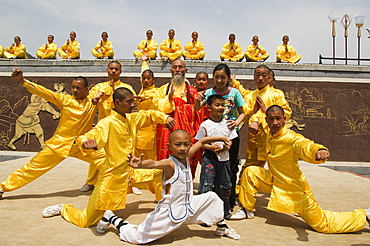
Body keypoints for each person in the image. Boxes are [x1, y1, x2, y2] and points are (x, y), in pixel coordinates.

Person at [41, 87, 175, 228]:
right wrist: (86, 142)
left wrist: (165, 118)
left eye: (133, 102)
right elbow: (92, 134)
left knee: (161, 171)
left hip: (132, 173)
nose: (132, 105)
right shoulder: (107, 123)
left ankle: (164, 204)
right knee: (86, 221)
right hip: (112, 177)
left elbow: (149, 115)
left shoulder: (132, 118)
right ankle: (64, 209)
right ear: (117, 102)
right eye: (129, 102)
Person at [231, 105, 370, 234]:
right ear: (267, 120)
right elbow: (258, 117)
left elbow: (305, 145)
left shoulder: (291, 138)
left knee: (322, 225)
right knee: (251, 171)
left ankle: (364, 216)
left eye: (278, 118)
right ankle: (246, 209)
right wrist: (260, 112)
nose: (275, 122)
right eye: (271, 119)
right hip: (274, 181)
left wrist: (318, 150)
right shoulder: (269, 131)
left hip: (293, 189)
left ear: (284, 119)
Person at [96, 129, 240, 243]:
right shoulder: (170, 163)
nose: (182, 148)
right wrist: (139, 165)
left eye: (186, 144)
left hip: (188, 204)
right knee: (138, 238)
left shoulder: (186, 155)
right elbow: (153, 164)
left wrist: (221, 138)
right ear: (169, 146)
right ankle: (111, 217)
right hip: (170, 211)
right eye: (178, 145)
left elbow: (201, 141)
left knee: (211, 198)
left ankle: (222, 227)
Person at [0, 69, 110, 200]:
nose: (75, 90)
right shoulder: (65, 100)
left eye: (79, 88)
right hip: (59, 144)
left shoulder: (92, 102)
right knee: (32, 168)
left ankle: (117, 186)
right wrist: (22, 81)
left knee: (108, 159)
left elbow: (108, 90)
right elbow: (44, 92)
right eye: (73, 87)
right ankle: (3, 187)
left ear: (86, 89)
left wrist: (100, 94)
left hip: (81, 145)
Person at [195, 63, 246, 211]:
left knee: (230, 168)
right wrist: (199, 99)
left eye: (223, 77)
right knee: (211, 169)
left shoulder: (235, 93)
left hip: (231, 135)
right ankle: (210, 204)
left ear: (229, 78)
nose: (219, 80)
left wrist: (236, 122)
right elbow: (197, 108)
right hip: (212, 136)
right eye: (217, 77)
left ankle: (227, 204)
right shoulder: (209, 92)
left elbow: (242, 112)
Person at [80, 60, 136, 192]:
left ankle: (129, 182)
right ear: (107, 70)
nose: (113, 71)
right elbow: (92, 102)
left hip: (121, 129)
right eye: (111, 68)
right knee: (98, 154)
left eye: (116, 69)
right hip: (104, 127)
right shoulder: (99, 87)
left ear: (120, 71)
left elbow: (132, 107)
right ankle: (91, 181)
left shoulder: (127, 88)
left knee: (125, 156)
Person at [231, 65, 291, 188]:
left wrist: (265, 111)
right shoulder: (250, 96)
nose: (260, 78)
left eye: (264, 75)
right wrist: (253, 111)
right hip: (255, 139)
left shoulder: (276, 94)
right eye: (257, 75)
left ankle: (282, 191)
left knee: (278, 166)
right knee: (250, 166)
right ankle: (241, 189)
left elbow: (286, 112)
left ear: (269, 77)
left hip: (272, 138)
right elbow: (245, 114)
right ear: (254, 77)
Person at [196, 95, 238, 220]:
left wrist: (227, 146)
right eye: (217, 105)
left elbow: (231, 139)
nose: (220, 108)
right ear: (209, 108)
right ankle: (202, 214)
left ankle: (224, 212)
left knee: (224, 187)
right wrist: (211, 147)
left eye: (222, 105)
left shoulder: (228, 123)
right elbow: (200, 142)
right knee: (206, 185)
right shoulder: (205, 125)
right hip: (210, 159)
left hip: (224, 160)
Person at [155, 60, 199, 177]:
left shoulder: (192, 92)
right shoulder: (163, 90)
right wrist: (168, 100)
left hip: (185, 131)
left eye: (180, 67)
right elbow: (156, 109)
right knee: (166, 159)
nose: (178, 70)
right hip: (167, 130)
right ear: (171, 70)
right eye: (175, 67)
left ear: (185, 70)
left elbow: (198, 113)